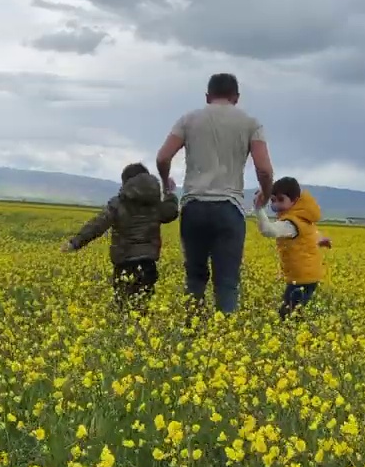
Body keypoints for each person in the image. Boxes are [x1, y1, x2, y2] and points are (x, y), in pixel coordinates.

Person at [156, 72, 273, 313]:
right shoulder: (251, 123)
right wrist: (266, 193)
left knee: (195, 278)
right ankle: (224, 338)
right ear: (236, 97)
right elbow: (264, 168)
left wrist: (165, 179)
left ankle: (191, 333)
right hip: (229, 209)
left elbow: (163, 157)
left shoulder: (188, 119)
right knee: (227, 282)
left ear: (208, 96)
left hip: (194, 207)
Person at [62, 163, 179, 306]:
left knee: (123, 307)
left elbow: (97, 225)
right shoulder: (155, 204)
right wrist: (169, 193)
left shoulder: (118, 203)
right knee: (143, 310)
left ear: (127, 182)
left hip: (124, 263)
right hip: (148, 263)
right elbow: (171, 212)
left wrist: (75, 242)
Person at [254, 176, 331, 319]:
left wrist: (258, 209)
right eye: (273, 200)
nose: (276, 204)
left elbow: (268, 230)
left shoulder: (290, 222)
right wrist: (320, 240)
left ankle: (301, 338)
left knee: (288, 316)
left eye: (281, 199)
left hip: (301, 278)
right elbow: (310, 234)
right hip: (307, 276)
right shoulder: (302, 218)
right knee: (291, 313)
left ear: (294, 200)